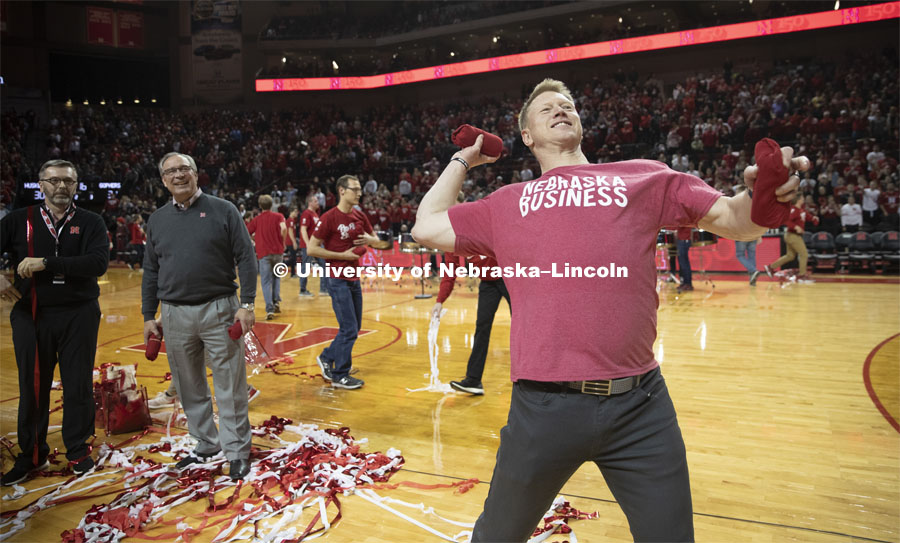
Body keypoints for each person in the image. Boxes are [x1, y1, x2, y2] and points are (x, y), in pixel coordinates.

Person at [411, 78, 806, 542]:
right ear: (527, 137)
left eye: (568, 104)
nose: (561, 109)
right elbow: (426, 225)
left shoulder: (644, 176)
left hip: (641, 407)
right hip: (543, 408)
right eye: (547, 109)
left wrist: (764, 197)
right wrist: (465, 158)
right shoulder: (506, 203)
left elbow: (735, 220)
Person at [142, 152, 257, 481]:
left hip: (219, 307)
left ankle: (236, 449)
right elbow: (151, 269)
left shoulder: (224, 210)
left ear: (195, 174)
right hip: (173, 313)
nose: (178, 175)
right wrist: (148, 314)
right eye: (171, 172)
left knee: (230, 383)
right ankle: (206, 443)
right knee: (187, 383)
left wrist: (246, 303)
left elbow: (246, 258)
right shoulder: (157, 219)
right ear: (163, 181)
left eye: (184, 169)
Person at [0, 159, 109, 485]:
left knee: (77, 385)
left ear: (76, 186)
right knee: (32, 386)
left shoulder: (91, 221)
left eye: (67, 181)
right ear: (40, 184)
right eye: (53, 181)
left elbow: (98, 263)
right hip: (32, 313)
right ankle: (32, 455)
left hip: (79, 312)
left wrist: (45, 263)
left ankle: (78, 450)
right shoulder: (20, 219)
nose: (61, 186)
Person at [430, 195, 510, 396]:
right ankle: (473, 380)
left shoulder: (484, 218)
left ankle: (536, 377)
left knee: (525, 326)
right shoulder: (451, 235)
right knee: (481, 327)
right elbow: (450, 270)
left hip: (511, 278)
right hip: (489, 283)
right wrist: (440, 301)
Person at [307, 175, 380, 390]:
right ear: (341, 190)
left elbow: (378, 242)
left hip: (353, 278)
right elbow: (312, 249)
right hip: (337, 278)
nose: (359, 193)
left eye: (360, 189)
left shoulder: (360, 216)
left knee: (354, 327)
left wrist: (369, 241)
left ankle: (327, 356)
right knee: (348, 328)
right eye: (355, 189)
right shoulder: (329, 217)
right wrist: (343, 256)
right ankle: (340, 374)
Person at [247, 194, 287, 320]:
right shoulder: (279, 216)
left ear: (260, 206)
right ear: (272, 204)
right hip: (278, 252)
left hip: (264, 253)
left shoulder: (257, 220)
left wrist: (255, 238)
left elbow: (246, 232)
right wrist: (283, 241)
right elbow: (284, 228)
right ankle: (276, 303)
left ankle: (269, 309)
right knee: (277, 278)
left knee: (265, 282)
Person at [764, 194, 814, 282]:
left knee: (790, 256)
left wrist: (814, 218)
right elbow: (786, 220)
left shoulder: (801, 210)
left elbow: (807, 217)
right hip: (792, 235)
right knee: (804, 254)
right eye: (802, 197)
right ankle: (801, 276)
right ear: (799, 199)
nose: (804, 198)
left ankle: (771, 267)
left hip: (794, 236)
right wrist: (795, 227)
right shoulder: (793, 209)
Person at [298, 194, 327, 297]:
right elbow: (303, 229)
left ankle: (324, 289)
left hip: (317, 245)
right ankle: (302, 290)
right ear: (310, 203)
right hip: (309, 245)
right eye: (315, 201)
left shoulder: (315, 214)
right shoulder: (306, 213)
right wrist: (308, 244)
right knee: (306, 266)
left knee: (325, 265)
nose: (318, 203)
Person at [675, 226, 693, 293]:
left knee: (684, 264)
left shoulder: (684, 217)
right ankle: (685, 283)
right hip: (682, 240)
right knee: (683, 263)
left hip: (684, 240)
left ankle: (688, 283)